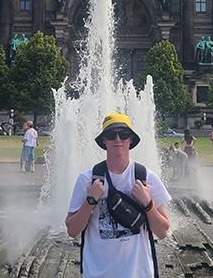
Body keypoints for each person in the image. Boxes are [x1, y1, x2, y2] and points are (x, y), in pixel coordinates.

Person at [65, 112, 171, 278]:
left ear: (131, 140)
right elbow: (72, 230)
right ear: (103, 141)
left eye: (123, 134)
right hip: (97, 273)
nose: (118, 140)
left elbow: (163, 232)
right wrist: (90, 201)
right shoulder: (88, 179)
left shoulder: (146, 178)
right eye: (111, 135)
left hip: (138, 273)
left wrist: (148, 203)